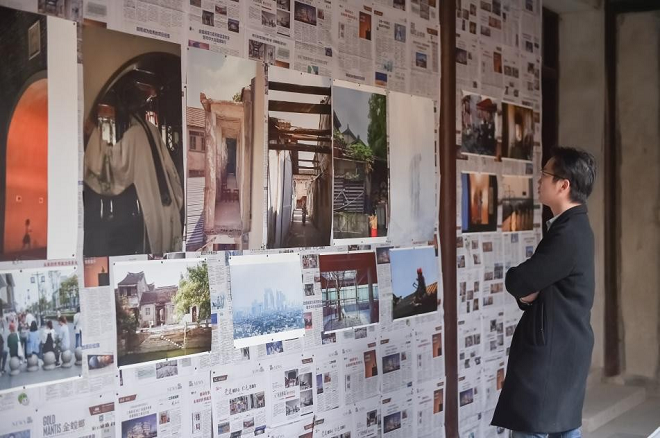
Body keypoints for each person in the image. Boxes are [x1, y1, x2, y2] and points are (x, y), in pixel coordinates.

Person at [491, 147, 597, 438]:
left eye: (545, 174)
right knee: (563, 427)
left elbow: (519, 280)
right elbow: (537, 284)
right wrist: (530, 290)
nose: (539, 180)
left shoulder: (568, 233)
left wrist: (526, 288)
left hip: (552, 354)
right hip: (563, 347)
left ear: (564, 185)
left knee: (535, 428)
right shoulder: (572, 227)